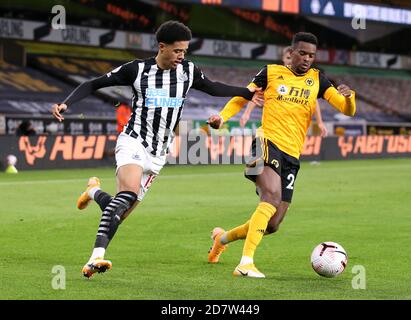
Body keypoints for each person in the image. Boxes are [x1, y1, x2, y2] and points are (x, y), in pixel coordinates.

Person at [51, 20, 263, 279]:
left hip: (158, 153)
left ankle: (94, 191)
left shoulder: (187, 71)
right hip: (133, 141)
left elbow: (214, 87)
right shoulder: (137, 70)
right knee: (127, 195)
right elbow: (93, 83)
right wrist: (66, 103)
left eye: (185, 51)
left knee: (119, 212)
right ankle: (96, 258)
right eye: (177, 51)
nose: (181, 56)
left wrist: (247, 92)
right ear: (162, 47)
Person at [207, 32, 356, 278]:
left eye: (311, 55)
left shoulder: (317, 79)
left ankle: (221, 239)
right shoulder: (271, 72)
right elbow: (242, 96)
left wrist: (350, 98)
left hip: (292, 154)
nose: (307, 59)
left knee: (273, 223)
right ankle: (245, 263)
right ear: (291, 52)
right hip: (266, 141)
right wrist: (222, 117)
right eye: (302, 53)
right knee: (271, 196)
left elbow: (346, 109)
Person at [240, 46, 328, 137]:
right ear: (283, 58)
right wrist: (247, 113)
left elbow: (313, 100)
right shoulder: (274, 76)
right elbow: (257, 93)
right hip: (272, 129)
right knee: (263, 147)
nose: (290, 61)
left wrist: (320, 122)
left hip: (292, 131)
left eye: (293, 58)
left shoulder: (303, 79)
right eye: (288, 58)